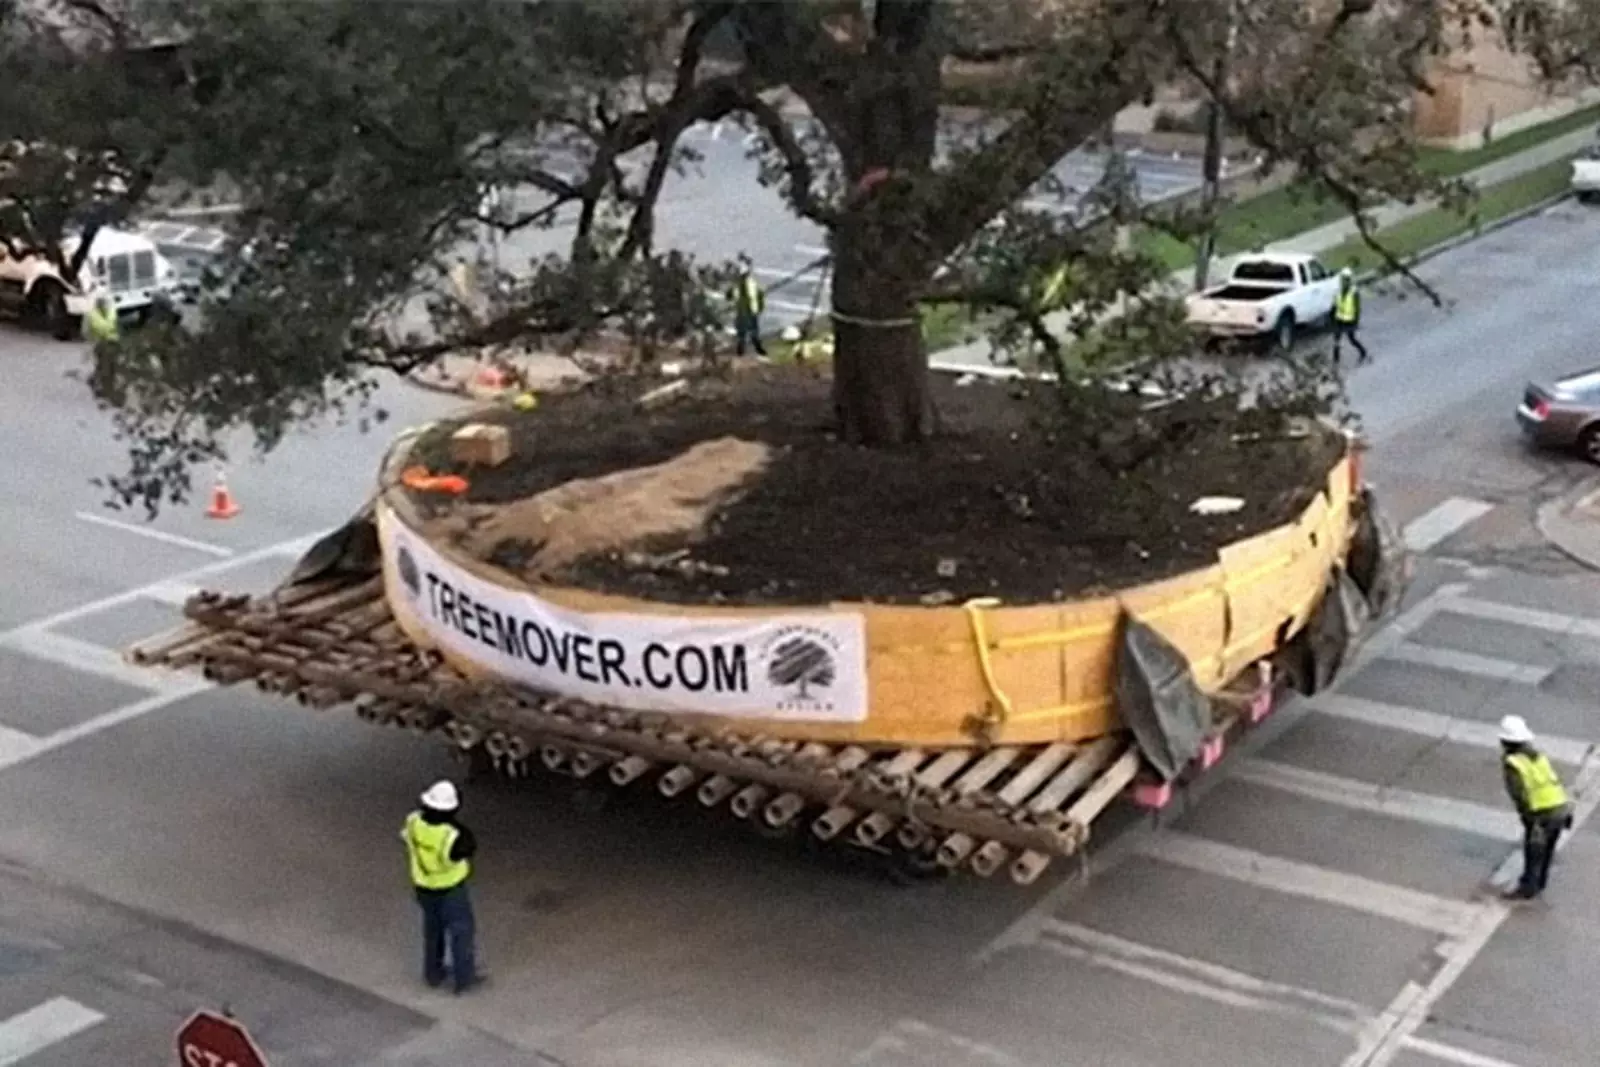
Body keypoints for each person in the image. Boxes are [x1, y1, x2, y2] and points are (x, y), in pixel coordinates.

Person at [400, 780, 482, 992]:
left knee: (432, 930)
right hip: (451, 890)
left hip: (423, 888)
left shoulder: (412, 822)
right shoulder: (453, 836)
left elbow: (407, 837)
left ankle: (433, 973)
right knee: (461, 932)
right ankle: (464, 980)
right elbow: (468, 847)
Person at [1498, 715, 1573, 901]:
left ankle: (1528, 888)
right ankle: (1540, 883)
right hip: (1561, 808)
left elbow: (1519, 795)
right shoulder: (1538, 756)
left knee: (1534, 851)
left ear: (1505, 741)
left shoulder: (1513, 764)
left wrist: (1528, 818)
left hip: (1541, 814)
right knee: (1547, 849)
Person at [728, 256, 767, 357]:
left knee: (750, 332)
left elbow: (758, 294)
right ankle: (746, 351)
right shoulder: (741, 284)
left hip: (749, 311)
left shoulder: (747, 283)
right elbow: (732, 295)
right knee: (746, 333)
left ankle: (754, 350)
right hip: (745, 311)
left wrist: (760, 305)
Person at [1331, 267, 1369, 366]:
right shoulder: (1338, 290)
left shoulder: (1354, 292)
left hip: (1349, 320)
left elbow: (1357, 308)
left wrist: (1356, 321)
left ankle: (1363, 352)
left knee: (1351, 339)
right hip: (1339, 318)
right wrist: (1333, 315)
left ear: (1350, 280)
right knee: (1336, 339)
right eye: (1343, 279)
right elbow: (1335, 304)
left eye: (1347, 279)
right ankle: (1336, 359)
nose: (1345, 281)